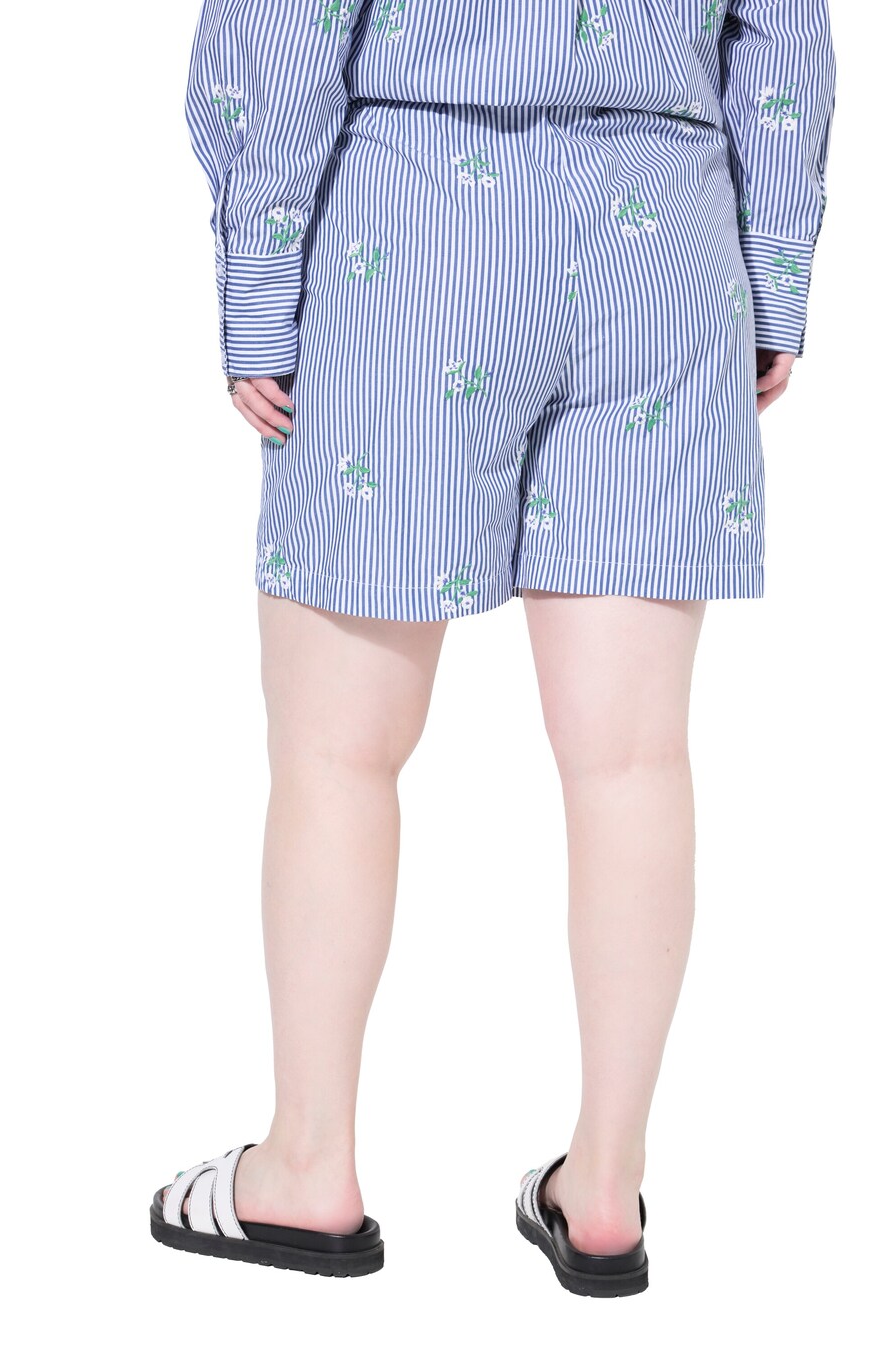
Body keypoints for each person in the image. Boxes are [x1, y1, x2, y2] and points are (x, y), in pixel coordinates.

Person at [150, 0, 836, 1296]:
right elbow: (784, 29)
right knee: (632, 762)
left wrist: (260, 275)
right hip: (662, 235)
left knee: (338, 754)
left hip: (414, 227)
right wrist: (775, 269)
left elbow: (283, 26)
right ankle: (605, 1188)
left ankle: (307, 1165)